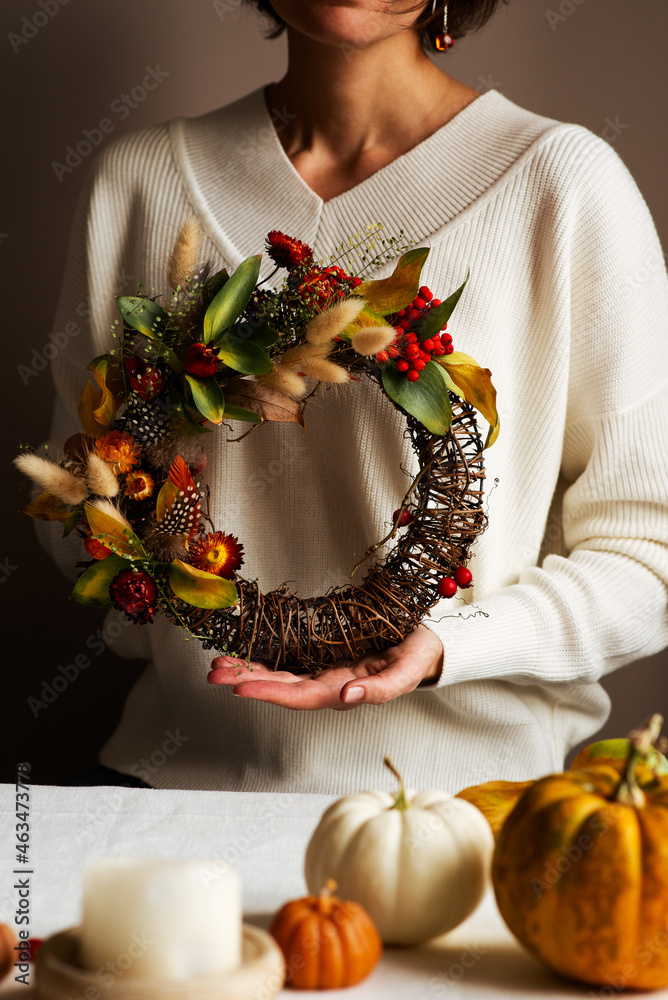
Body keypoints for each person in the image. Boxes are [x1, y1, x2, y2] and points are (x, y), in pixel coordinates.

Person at [42, 0, 668, 792]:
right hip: (175, 795)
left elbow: (651, 555)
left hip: (465, 815)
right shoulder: (139, 182)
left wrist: (452, 644)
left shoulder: (561, 184)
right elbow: (75, 522)